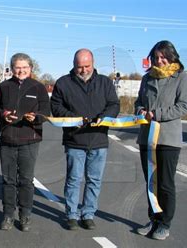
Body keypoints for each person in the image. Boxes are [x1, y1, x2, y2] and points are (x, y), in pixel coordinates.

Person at [50, 48, 120, 230]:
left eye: (86, 66)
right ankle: (71, 214)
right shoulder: (63, 83)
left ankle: (88, 214)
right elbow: (56, 107)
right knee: (74, 179)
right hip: (75, 140)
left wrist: (105, 116)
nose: (83, 70)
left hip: (99, 140)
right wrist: (73, 119)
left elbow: (114, 104)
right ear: (73, 65)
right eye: (79, 67)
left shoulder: (105, 83)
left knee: (94, 180)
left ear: (93, 63)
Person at [134, 40, 187, 240]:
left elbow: (184, 106)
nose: (159, 61)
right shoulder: (146, 79)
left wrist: (156, 114)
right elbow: (139, 102)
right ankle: (153, 219)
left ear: (172, 57)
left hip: (168, 139)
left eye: (163, 57)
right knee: (151, 181)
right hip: (146, 138)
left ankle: (165, 223)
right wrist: (140, 110)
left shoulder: (182, 78)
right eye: (156, 58)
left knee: (165, 183)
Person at [0, 53, 50, 232]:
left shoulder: (38, 88)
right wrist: (3, 114)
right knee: (8, 180)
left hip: (30, 140)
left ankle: (25, 216)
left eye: (24, 67)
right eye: (17, 67)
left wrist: (36, 117)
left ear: (31, 68)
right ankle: (8, 214)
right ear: (12, 68)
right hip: (7, 139)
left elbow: (46, 111)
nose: (21, 70)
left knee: (26, 180)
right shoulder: (3, 87)